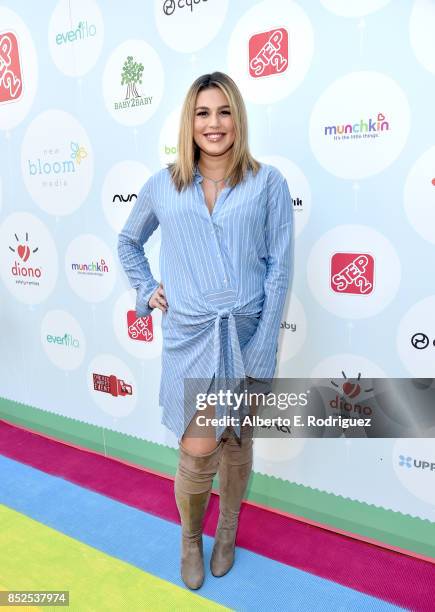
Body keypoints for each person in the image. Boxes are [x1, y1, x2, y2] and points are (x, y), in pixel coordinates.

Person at [117, 71, 294, 590]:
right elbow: (129, 242)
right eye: (202, 113)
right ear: (188, 122)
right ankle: (191, 537)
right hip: (191, 338)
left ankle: (229, 531)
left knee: (237, 443)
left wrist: (263, 344)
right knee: (197, 447)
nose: (213, 124)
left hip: (246, 334)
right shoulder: (164, 185)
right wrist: (147, 287)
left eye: (223, 112)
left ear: (237, 117)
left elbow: (279, 269)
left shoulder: (268, 183)